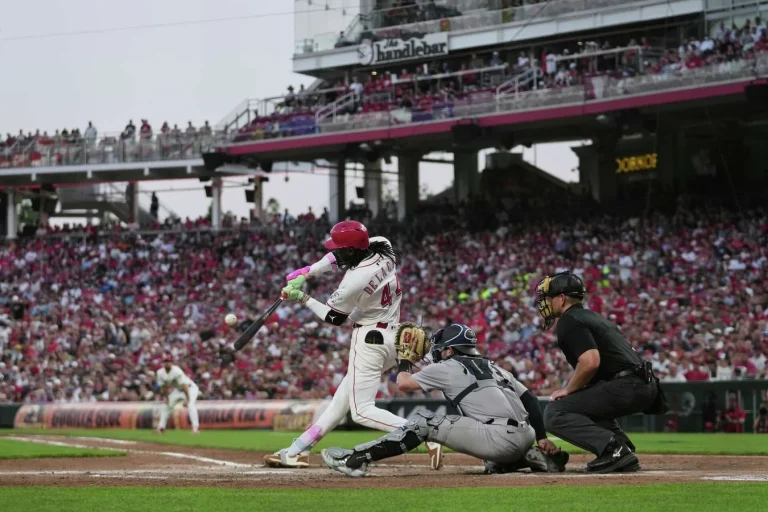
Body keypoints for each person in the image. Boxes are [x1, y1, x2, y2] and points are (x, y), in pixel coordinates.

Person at [263, 220, 443, 470]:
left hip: (369, 341)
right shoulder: (382, 246)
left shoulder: (354, 280)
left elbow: (335, 318)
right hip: (393, 336)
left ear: (351, 250)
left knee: (361, 411)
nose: (336, 251)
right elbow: (336, 257)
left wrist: (302, 298)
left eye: (340, 248)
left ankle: (422, 432)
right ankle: (298, 450)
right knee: (340, 401)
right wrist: (308, 272)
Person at [321, 323, 568, 477]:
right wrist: (541, 437)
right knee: (489, 454)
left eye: (441, 348)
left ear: (450, 350)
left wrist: (404, 359)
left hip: (499, 438)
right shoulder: (494, 367)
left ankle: (355, 459)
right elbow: (531, 400)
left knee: (425, 422)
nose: (437, 352)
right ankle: (524, 457)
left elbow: (404, 383)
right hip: (525, 435)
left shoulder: (449, 365)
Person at [535, 271, 667, 474]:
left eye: (549, 297)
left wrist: (568, 389)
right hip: (645, 384)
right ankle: (622, 447)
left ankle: (614, 450)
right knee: (583, 402)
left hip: (627, 384)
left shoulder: (569, 320)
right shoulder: (593, 317)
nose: (547, 302)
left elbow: (590, 362)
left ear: (561, 298)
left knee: (555, 412)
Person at [155, 355, 200, 434]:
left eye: (168, 361)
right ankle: (161, 428)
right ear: (162, 363)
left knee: (190, 404)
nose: (167, 363)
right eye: (165, 361)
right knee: (166, 405)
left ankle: (195, 428)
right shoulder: (160, 372)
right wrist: (167, 398)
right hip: (178, 390)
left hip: (190, 388)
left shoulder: (177, 371)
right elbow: (163, 387)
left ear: (172, 362)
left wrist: (187, 399)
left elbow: (184, 386)